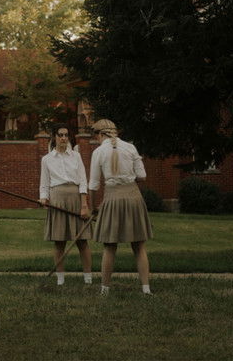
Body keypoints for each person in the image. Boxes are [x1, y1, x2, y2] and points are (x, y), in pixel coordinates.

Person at [88, 118, 154, 296]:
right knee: (139, 245)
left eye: (96, 136)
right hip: (134, 197)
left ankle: (105, 290)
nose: (96, 140)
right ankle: (146, 289)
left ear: (101, 134)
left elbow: (93, 185)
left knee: (109, 246)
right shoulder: (130, 147)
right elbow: (142, 176)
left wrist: (93, 207)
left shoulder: (99, 152)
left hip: (112, 198)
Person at [38, 125, 92, 286]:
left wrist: (84, 205)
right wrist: (44, 198)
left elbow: (83, 180)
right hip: (57, 199)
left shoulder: (76, 156)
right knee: (59, 241)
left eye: (66, 135)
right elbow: (44, 183)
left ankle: (88, 278)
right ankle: (60, 279)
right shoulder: (47, 159)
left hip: (75, 198)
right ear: (54, 137)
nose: (63, 138)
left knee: (82, 241)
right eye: (60, 135)